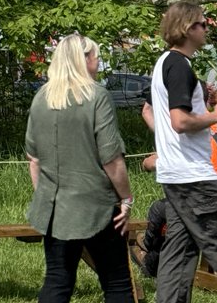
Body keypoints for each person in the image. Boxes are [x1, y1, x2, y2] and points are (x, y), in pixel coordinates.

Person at [150, 1, 217, 303]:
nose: (207, 28)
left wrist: (202, 98)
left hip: (174, 177)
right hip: (196, 179)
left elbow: (166, 112)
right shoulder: (179, 66)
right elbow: (180, 121)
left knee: (178, 253)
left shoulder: (165, 63)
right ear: (187, 28)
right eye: (202, 23)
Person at [25, 34, 135, 303]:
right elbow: (111, 158)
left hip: (55, 208)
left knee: (57, 281)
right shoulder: (97, 96)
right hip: (96, 206)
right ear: (84, 59)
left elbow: (34, 158)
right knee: (117, 282)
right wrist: (126, 198)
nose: (99, 61)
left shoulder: (41, 98)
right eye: (96, 55)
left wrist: (46, 196)